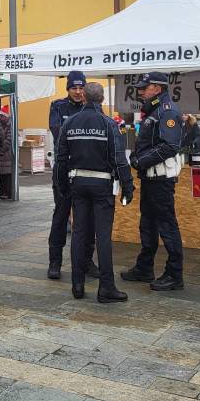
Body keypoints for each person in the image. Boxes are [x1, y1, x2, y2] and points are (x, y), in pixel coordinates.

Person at [55, 82, 134, 303]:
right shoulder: (109, 124)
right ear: (101, 100)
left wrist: (62, 187)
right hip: (102, 185)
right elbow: (119, 160)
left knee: (79, 233)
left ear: (85, 98)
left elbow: (61, 160)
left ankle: (77, 284)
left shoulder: (70, 123)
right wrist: (128, 187)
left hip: (77, 182)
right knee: (103, 237)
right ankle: (106, 288)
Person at [121, 72, 185, 292]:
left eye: (144, 88)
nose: (140, 91)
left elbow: (170, 146)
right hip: (150, 177)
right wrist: (137, 158)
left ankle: (174, 274)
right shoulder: (154, 111)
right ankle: (144, 267)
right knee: (147, 224)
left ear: (157, 89)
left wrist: (141, 161)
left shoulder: (167, 111)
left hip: (160, 178)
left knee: (167, 225)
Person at [47, 70, 96, 281]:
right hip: (64, 171)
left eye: (80, 88)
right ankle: (54, 262)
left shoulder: (92, 107)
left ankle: (86, 261)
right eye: (74, 88)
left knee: (86, 219)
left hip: (85, 170)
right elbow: (58, 133)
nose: (77, 92)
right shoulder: (58, 106)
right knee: (61, 217)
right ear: (67, 89)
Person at [0, 106, 14, 200]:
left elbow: (9, 140)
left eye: (2, 116)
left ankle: (7, 192)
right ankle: (2, 191)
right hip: (2, 155)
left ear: (6, 116)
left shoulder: (10, 126)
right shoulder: (0, 125)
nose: (0, 118)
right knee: (1, 175)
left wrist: (1, 150)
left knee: (7, 175)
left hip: (7, 155)